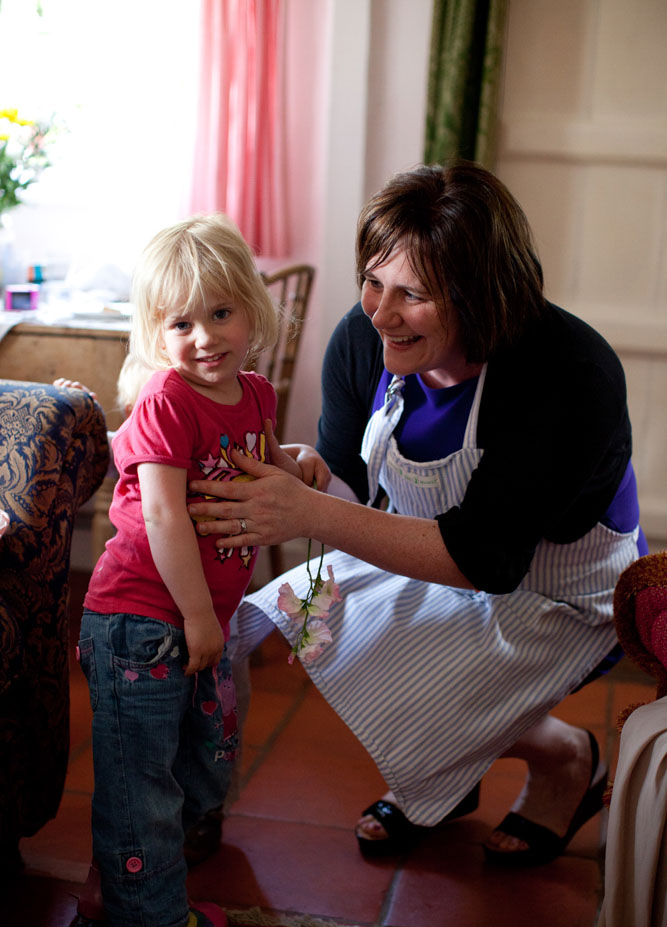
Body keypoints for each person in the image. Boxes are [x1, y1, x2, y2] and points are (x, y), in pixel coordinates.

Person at [187, 161, 648, 867]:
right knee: (283, 618)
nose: (380, 314)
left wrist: (305, 512)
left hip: (557, 589)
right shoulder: (362, 338)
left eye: (413, 295)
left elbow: (485, 563)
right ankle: (444, 776)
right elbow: (348, 488)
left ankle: (563, 760)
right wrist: (305, 474)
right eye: (372, 283)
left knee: (417, 679)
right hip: (429, 553)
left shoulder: (562, 370)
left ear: (479, 296)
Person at [73, 213, 321, 927]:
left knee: (193, 758)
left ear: (252, 311)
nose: (206, 336)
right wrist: (192, 616)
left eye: (221, 314)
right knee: (139, 776)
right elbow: (159, 513)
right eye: (181, 322)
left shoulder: (250, 394)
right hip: (141, 619)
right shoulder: (165, 401)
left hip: (194, 619)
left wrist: (299, 464)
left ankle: (122, 884)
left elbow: (262, 461)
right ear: (154, 331)